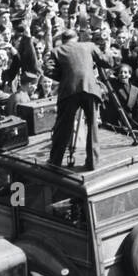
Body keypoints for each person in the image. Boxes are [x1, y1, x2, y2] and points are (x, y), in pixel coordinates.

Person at [46, 28, 110, 170]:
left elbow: (48, 70)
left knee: (63, 127)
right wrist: (107, 48)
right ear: (77, 38)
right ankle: (92, 162)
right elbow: (108, 62)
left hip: (69, 91)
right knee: (93, 126)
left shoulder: (56, 51)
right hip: (90, 89)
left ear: (63, 40)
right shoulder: (89, 46)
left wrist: (66, 77)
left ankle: (55, 161)